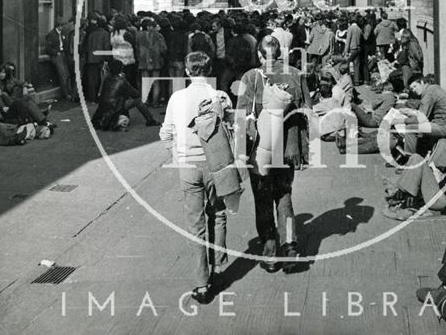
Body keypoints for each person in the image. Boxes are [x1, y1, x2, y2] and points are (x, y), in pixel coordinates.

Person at [159, 52, 230, 304]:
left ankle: (201, 284)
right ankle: (219, 268)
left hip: (188, 167)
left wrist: (176, 157)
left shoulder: (177, 98)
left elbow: (166, 133)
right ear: (210, 69)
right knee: (218, 215)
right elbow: (232, 131)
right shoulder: (220, 97)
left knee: (195, 226)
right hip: (216, 165)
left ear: (188, 72)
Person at [237, 36, 311, 274]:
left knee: (262, 199)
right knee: (284, 195)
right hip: (288, 149)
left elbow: (241, 117)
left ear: (259, 55)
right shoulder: (296, 74)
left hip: (260, 150)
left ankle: (270, 252)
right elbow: (307, 111)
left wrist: (240, 154)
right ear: (280, 53)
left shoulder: (250, 77)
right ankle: (290, 248)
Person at [382, 145, 446, 220]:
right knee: (415, 157)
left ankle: (405, 200)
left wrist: (443, 181)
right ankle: (403, 195)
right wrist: (441, 178)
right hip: (443, 193)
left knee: (418, 159)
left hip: (445, 200)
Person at [396, 73, 446, 158]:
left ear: (421, 82)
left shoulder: (429, 93)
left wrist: (401, 120)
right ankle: (419, 156)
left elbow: (420, 118)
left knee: (410, 128)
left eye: (415, 86)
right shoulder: (433, 88)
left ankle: (409, 160)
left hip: (444, 126)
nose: (414, 90)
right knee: (417, 129)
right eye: (411, 88)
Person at [91, 60, 160, 131]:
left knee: (123, 98)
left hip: (104, 109)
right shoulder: (121, 81)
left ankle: (122, 118)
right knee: (137, 100)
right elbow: (136, 93)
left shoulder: (107, 79)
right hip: (115, 108)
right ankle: (150, 120)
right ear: (121, 69)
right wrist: (125, 80)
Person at [136, 17, 167, 107]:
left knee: (145, 82)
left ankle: (145, 101)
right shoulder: (159, 36)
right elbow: (164, 49)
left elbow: (137, 48)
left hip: (143, 61)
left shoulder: (139, 36)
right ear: (153, 27)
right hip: (156, 61)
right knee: (155, 82)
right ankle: (155, 102)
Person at [45, 16, 73, 101]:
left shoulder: (62, 33)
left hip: (63, 54)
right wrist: (56, 52)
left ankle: (70, 92)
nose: (63, 27)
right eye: (62, 26)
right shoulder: (51, 34)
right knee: (63, 75)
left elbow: (65, 44)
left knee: (67, 74)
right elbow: (48, 48)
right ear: (58, 26)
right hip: (57, 56)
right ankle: (66, 94)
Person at [343, 14, 363, 86]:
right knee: (356, 65)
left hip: (352, 48)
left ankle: (347, 81)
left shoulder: (350, 28)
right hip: (358, 48)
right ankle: (356, 81)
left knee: (346, 64)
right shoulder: (359, 29)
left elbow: (348, 41)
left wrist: (345, 51)